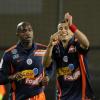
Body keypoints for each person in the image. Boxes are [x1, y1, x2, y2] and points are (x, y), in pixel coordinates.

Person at [43, 12, 95, 100]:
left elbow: (86, 44)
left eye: (66, 28)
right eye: (60, 28)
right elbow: (46, 64)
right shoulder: (55, 48)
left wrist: (72, 26)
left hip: (82, 96)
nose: (63, 30)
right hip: (63, 96)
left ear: (72, 32)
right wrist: (50, 45)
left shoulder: (77, 44)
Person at [0, 21, 50, 100]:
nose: (28, 33)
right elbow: (1, 78)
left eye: (30, 30)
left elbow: (51, 65)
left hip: (39, 96)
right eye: (24, 31)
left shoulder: (44, 49)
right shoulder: (9, 54)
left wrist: (47, 76)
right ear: (17, 34)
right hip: (18, 96)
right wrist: (12, 77)